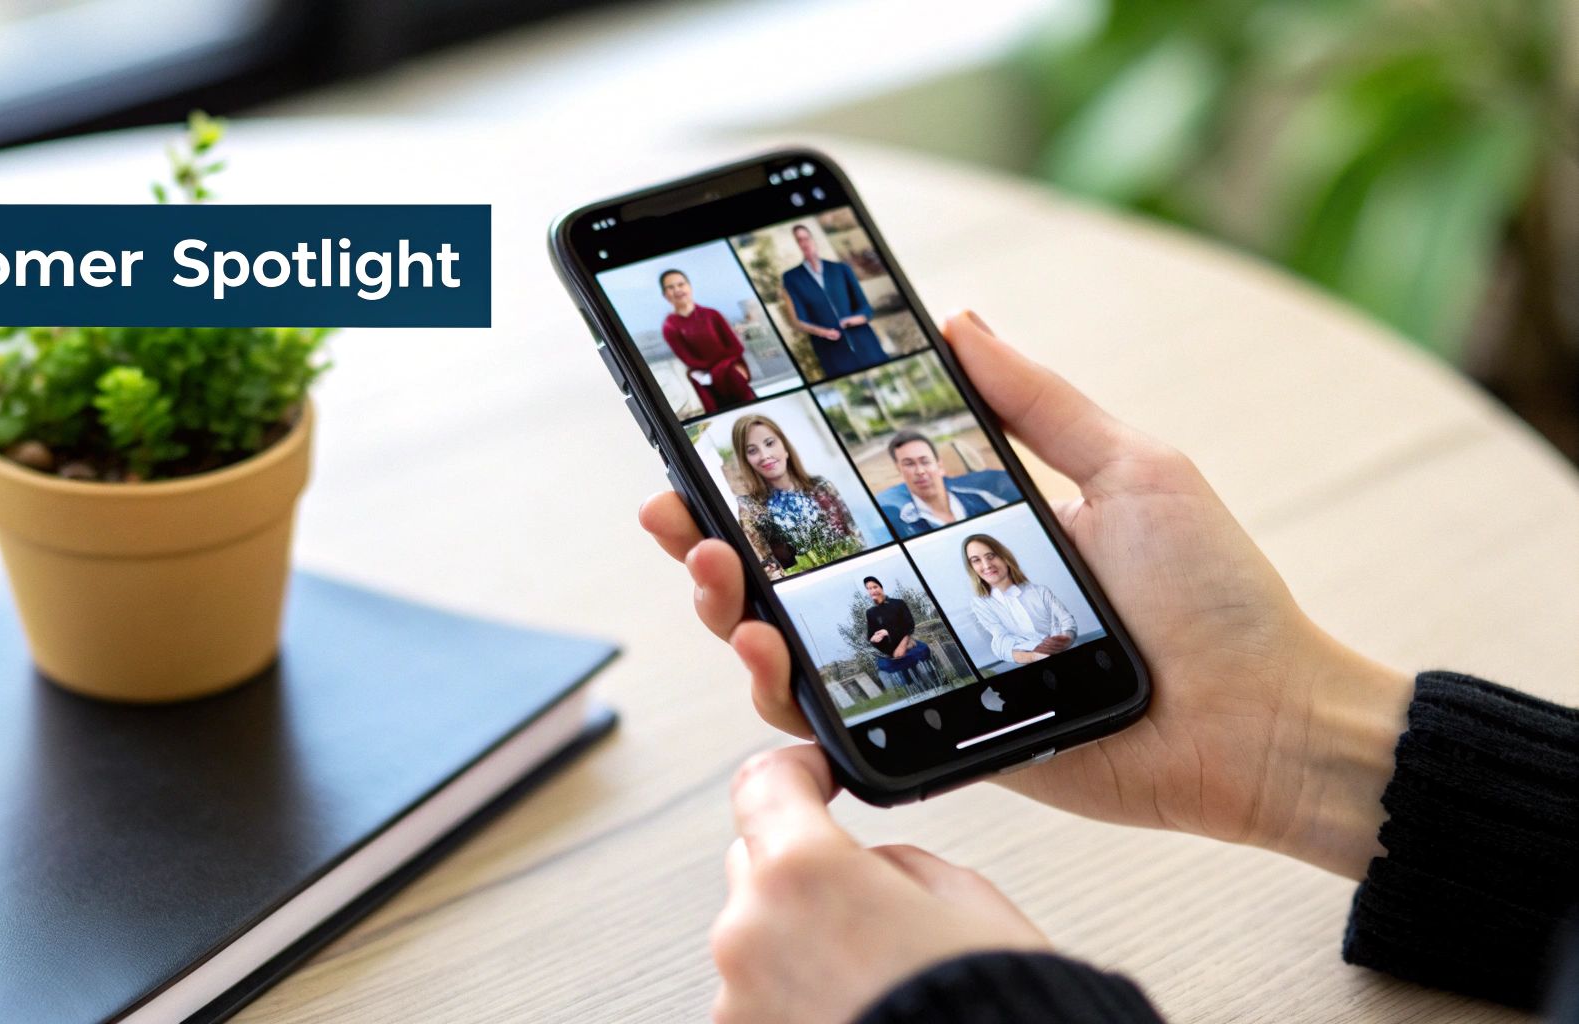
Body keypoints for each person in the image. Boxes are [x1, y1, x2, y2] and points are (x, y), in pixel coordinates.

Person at [639, 310, 1579, 1024]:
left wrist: (964, 1006)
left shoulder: (960, 511)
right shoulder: (838, 531)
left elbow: (1028, 627)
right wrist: (1293, 740)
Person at [730, 414, 866, 575]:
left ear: (785, 447)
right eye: (752, 451)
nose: (765, 455)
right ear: (745, 460)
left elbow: (856, 537)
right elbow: (768, 568)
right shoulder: (750, 508)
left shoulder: (821, 486)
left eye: (769, 443)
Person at [780, 224, 886, 377]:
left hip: (866, 343)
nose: (804, 243)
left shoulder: (841, 269)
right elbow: (799, 320)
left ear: (813, 239)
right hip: (832, 352)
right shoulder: (792, 278)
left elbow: (865, 308)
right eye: (799, 240)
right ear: (796, 244)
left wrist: (853, 320)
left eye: (806, 238)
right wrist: (823, 332)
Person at [876, 431, 1021, 539]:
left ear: (939, 465)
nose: (920, 471)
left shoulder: (981, 498)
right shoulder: (901, 521)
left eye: (925, 461)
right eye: (909, 464)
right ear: (899, 470)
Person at [962, 533, 1077, 665]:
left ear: (1004, 557)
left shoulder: (1040, 591)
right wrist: (1035, 656)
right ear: (972, 568)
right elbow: (1001, 644)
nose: (987, 565)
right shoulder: (981, 604)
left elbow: (1067, 622)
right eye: (976, 560)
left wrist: (1062, 640)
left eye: (991, 556)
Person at [658, 268, 755, 414]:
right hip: (706, 380)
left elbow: (735, 347)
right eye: (670, 287)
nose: (677, 290)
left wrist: (727, 367)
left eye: (681, 284)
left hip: (732, 372)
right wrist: (719, 368)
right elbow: (691, 361)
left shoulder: (712, 314)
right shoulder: (670, 326)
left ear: (689, 287)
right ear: (665, 295)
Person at [862, 576, 932, 694]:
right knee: (909, 687)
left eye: (875, 587)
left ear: (881, 587)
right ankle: (914, 695)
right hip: (890, 654)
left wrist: (888, 632)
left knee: (924, 678)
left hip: (909, 647)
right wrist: (874, 638)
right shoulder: (870, 612)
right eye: (869, 588)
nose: (872, 590)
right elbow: (870, 635)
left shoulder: (898, 604)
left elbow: (909, 625)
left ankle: (930, 689)